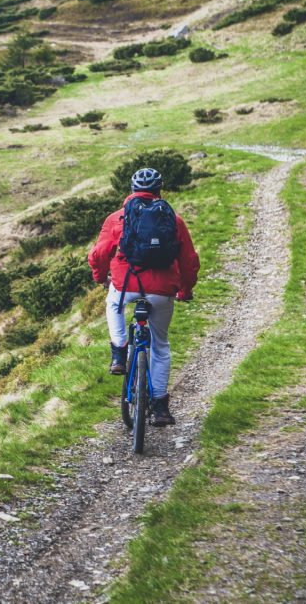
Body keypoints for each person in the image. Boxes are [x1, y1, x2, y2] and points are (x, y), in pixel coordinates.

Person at [87, 167, 199, 426]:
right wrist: (185, 290)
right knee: (160, 346)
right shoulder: (174, 220)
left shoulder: (117, 218)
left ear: (132, 190)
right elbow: (190, 261)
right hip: (162, 291)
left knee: (113, 303)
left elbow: (98, 254)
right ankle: (160, 407)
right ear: (160, 191)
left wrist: (100, 277)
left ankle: (119, 353)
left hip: (127, 285)